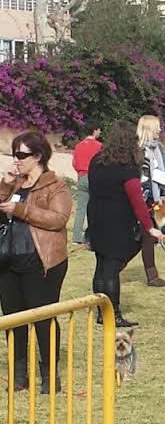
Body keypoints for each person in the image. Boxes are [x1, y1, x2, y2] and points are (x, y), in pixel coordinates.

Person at [0, 131, 71, 393]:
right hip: (8, 262)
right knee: (13, 319)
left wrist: (21, 210)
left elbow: (58, 219)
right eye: (13, 154)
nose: (16, 160)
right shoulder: (14, 183)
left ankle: (50, 377)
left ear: (38, 157)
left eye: (21, 155)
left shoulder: (56, 186)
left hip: (42, 263)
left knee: (43, 320)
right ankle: (19, 376)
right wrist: (5, 185)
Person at [87, 122, 164, 328]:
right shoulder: (128, 167)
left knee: (101, 265)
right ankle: (114, 313)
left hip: (96, 217)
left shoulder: (96, 161)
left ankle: (102, 312)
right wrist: (149, 227)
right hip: (117, 222)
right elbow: (137, 200)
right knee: (111, 268)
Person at [136, 115, 165, 287]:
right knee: (144, 236)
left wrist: (161, 194)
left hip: (153, 198)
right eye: (157, 127)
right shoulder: (138, 150)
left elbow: (160, 174)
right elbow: (142, 177)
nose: (160, 130)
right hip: (142, 198)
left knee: (148, 236)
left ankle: (152, 274)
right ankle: (151, 275)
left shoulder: (158, 149)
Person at [70, 119, 102, 244]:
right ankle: (94, 235)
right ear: (95, 131)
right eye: (99, 130)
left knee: (81, 208)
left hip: (82, 177)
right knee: (96, 208)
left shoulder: (78, 146)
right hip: (95, 177)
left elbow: (74, 163)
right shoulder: (99, 146)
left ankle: (76, 237)